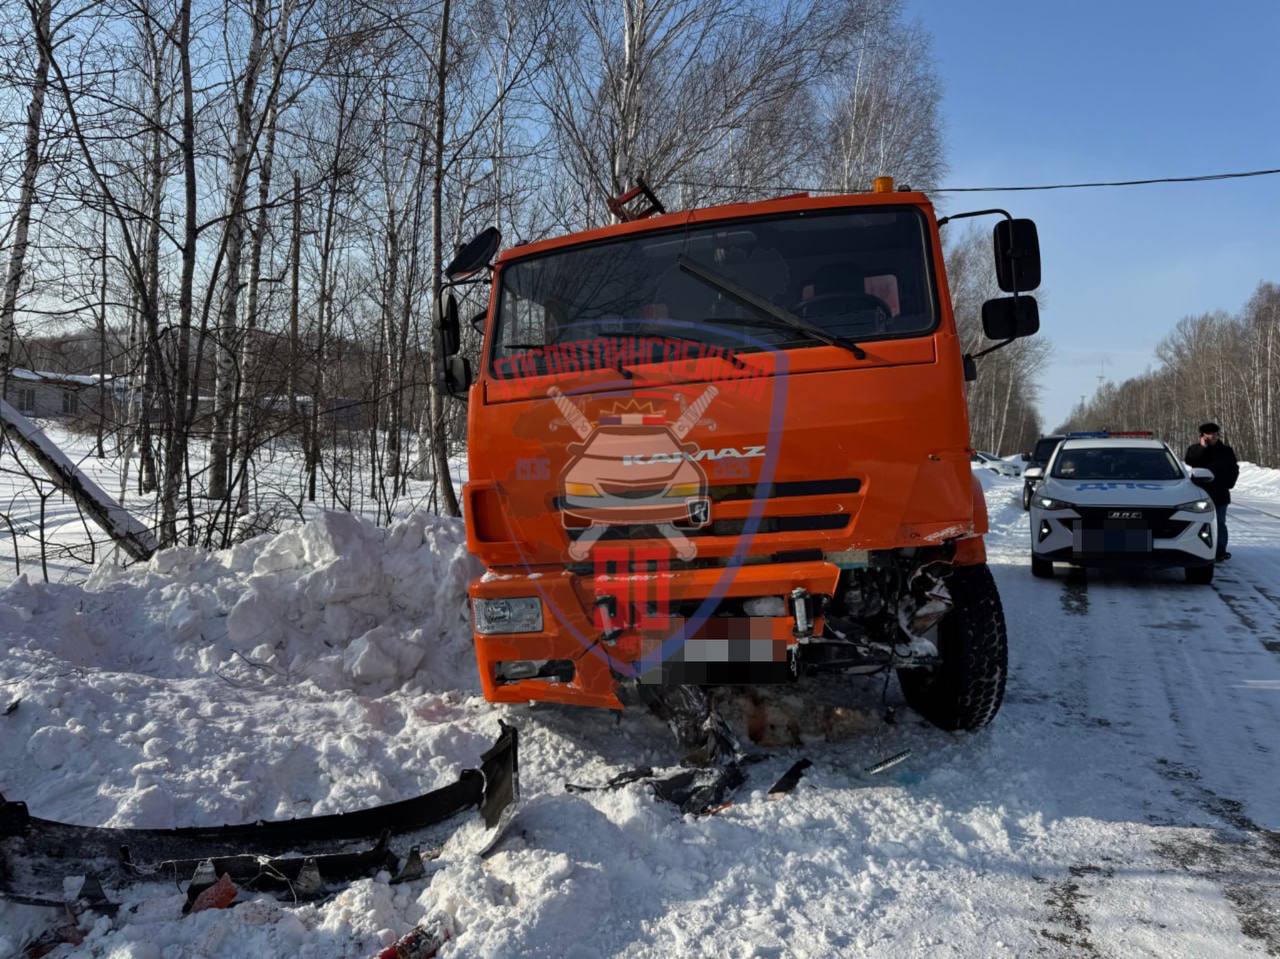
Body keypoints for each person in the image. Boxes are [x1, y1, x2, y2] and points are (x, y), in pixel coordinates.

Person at [1184, 422, 1239, 561]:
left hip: (1220, 493)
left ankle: (1220, 551)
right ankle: (1198, 548)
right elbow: (1190, 460)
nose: (1213, 436)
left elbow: (1234, 469)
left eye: (1215, 434)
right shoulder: (1195, 449)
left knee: (1220, 523)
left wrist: (1229, 483)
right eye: (1210, 434)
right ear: (1203, 436)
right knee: (1199, 522)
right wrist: (1202, 448)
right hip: (1200, 494)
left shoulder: (1226, 451)